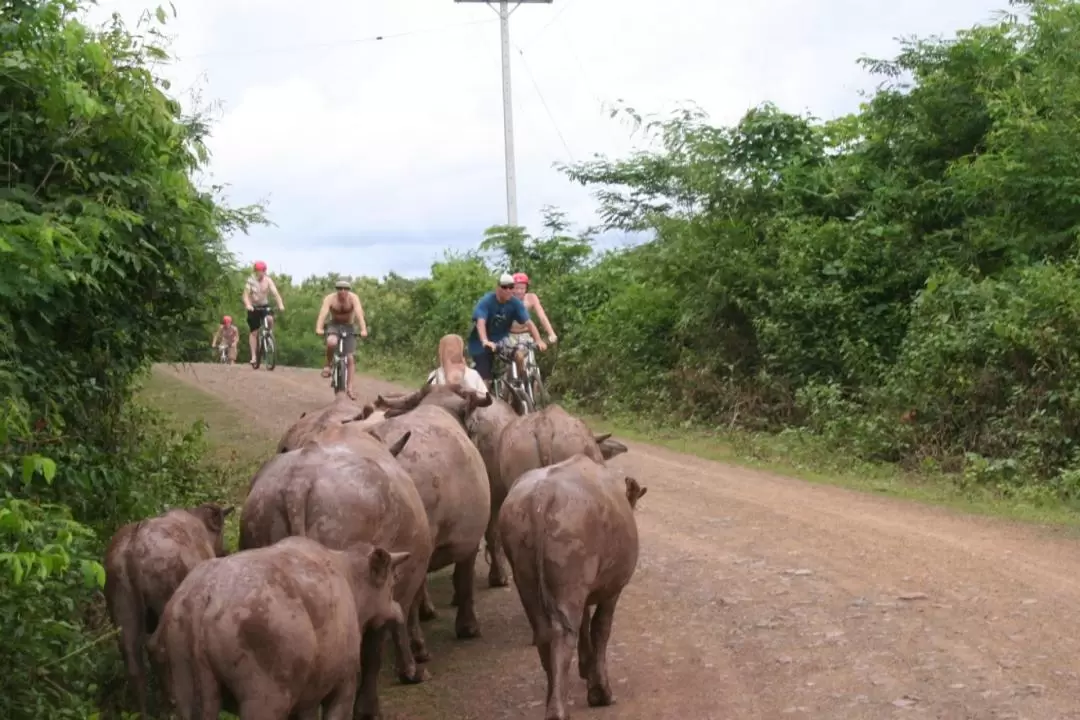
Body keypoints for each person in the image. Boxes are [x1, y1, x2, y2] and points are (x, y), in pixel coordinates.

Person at [467, 272, 547, 389]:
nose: (508, 290)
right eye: (504, 287)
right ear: (498, 288)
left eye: (511, 287)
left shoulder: (515, 303)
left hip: (501, 340)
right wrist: (485, 340)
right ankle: (484, 400)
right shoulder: (487, 301)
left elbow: (529, 323)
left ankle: (517, 384)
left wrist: (538, 340)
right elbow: (481, 322)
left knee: (518, 354)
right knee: (485, 379)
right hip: (480, 344)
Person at [314, 279, 369, 400]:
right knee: (331, 342)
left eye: (345, 289)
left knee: (350, 357)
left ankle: (349, 388)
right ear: (336, 290)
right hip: (334, 325)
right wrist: (319, 327)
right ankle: (328, 365)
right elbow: (323, 313)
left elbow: (359, 314)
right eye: (339, 289)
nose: (342, 291)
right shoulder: (330, 299)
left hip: (349, 327)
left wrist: (363, 329)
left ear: (348, 290)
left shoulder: (353, 298)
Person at [242, 260, 285, 368]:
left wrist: (280, 304)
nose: (260, 273)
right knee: (254, 332)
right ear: (255, 271)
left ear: (265, 271)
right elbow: (245, 295)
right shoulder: (250, 281)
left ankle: (268, 335)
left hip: (264, 305)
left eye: (262, 271)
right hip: (254, 307)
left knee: (270, 319)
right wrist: (248, 305)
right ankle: (253, 357)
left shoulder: (268, 280)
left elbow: (275, 293)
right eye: (257, 271)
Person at [508, 271, 557, 347]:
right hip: (509, 335)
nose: (519, 291)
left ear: (526, 288)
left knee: (530, 353)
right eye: (516, 288)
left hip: (525, 334)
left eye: (522, 288)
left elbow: (542, 316)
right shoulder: (507, 298)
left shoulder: (531, 298)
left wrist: (551, 333)